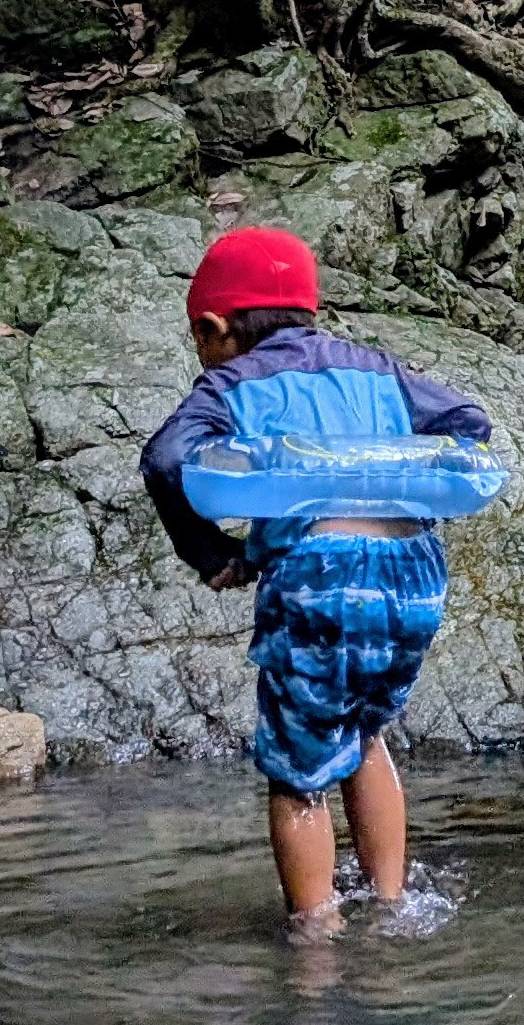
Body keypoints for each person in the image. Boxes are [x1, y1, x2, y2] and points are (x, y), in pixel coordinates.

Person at [141, 228, 492, 923]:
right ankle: (393, 907)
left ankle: (317, 944)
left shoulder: (231, 382)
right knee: (363, 734)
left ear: (214, 327)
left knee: (299, 776)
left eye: (199, 338)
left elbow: (163, 461)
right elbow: (469, 422)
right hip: (414, 573)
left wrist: (213, 554)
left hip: (318, 576)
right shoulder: (375, 368)